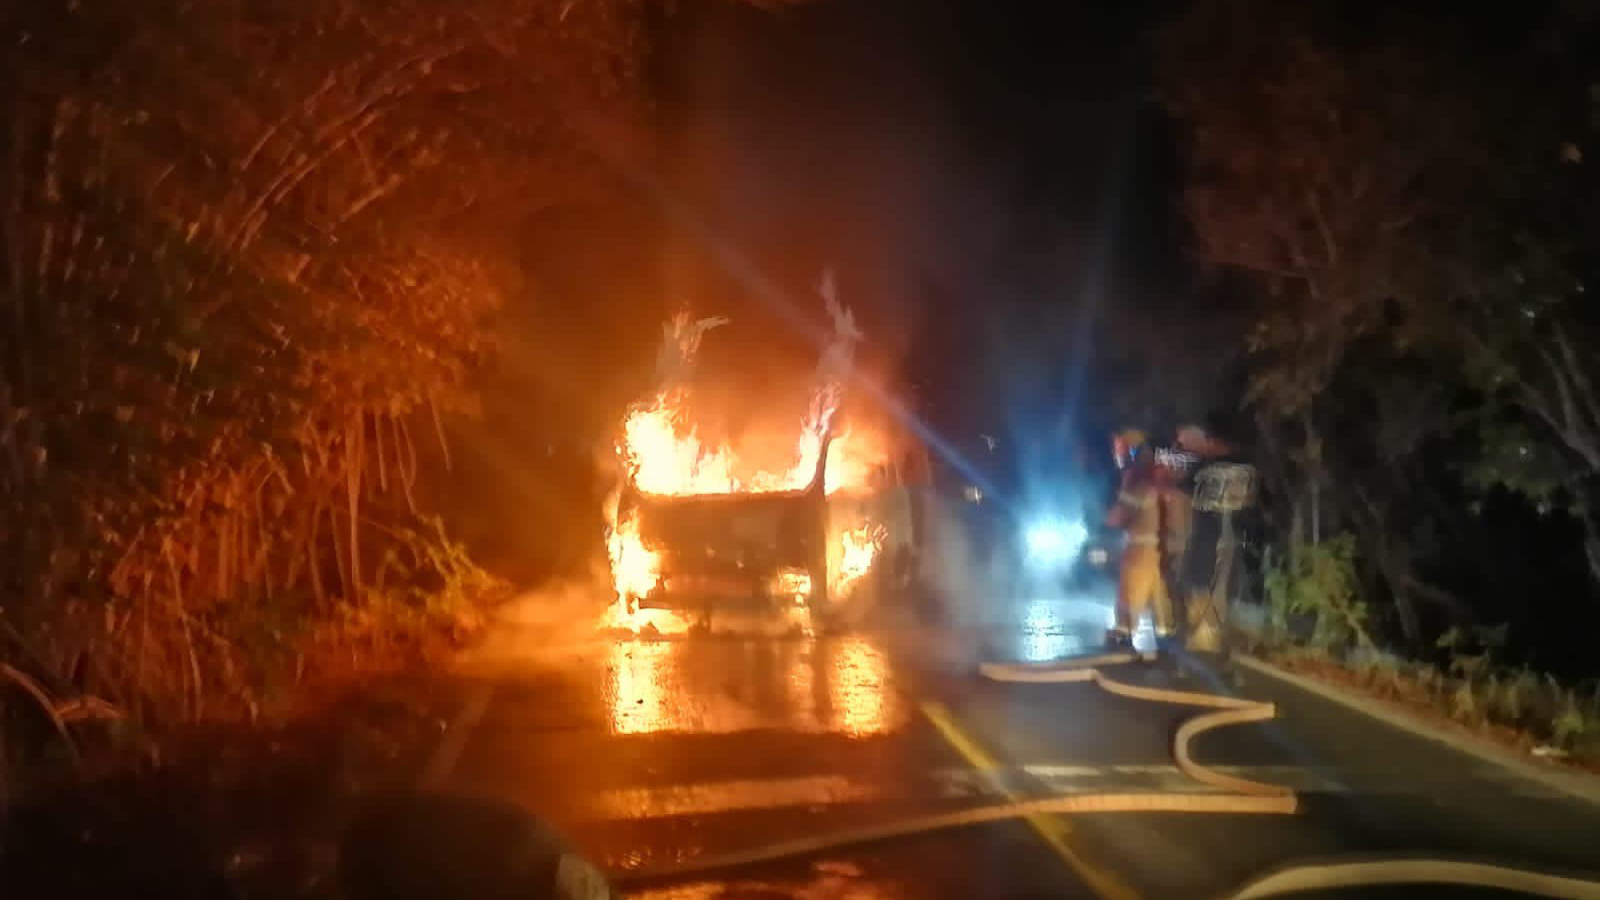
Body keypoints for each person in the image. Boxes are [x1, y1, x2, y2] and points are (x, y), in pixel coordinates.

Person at [1174, 421, 1257, 656]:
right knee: (1221, 588)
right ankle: (1212, 638)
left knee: (1198, 584)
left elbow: (1185, 497)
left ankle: (1204, 640)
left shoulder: (1205, 469)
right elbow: (1250, 506)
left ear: (1212, 441)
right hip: (1233, 539)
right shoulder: (1247, 468)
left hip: (1208, 537)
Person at [1104, 429, 1176, 654]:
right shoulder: (1156, 478)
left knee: (1129, 589)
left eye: (1121, 449)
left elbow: (1118, 517)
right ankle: (1168, 638)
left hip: (1140, 549)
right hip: (1158, 548)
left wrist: (1103, 518)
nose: (1117, 454)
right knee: (1158, 593)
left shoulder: (1137, 481)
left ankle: (1123, 633)